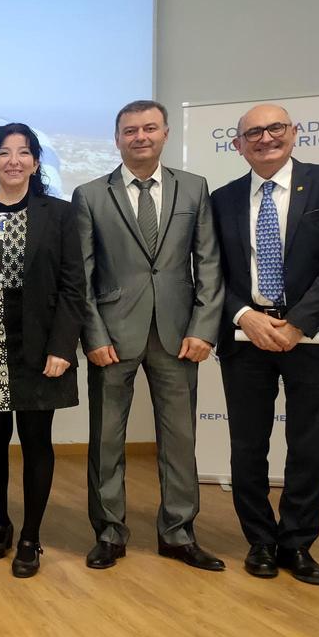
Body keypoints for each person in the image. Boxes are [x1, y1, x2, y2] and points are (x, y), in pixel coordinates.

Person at [212, 104, 319, 585]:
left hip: (316, 337)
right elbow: (211, 272)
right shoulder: (222, 199)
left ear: (294, 134)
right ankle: (259, 540)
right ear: (237, 145)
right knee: (247, 446)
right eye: (252, 132)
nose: (265, 138)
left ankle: (297, 543)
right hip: (246, 335)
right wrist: (243, 314)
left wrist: (296, 323)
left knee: (309, 445)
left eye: (275, 128)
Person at [73, 100, 225, 571]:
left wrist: (204, 328)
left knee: (180, 439)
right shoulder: (91, 194)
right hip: (112, 337)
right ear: (116, 138)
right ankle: (110, 533)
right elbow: (83, 273)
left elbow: (210, 263)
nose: (140, 137)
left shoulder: (194, 188)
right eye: (130, 130)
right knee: (106, 440)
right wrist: (92, 335)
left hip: (179, 335)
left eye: (149, 129)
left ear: (164, 134)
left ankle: (179, 534)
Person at [0, 124, 84, 577]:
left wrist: (64, 344)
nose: (14, 161)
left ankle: (31, 536)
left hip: (40, 342)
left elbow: (72, 286)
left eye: (24, 153)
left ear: (37, 163)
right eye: (4, 153)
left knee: (37, 440)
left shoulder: (59, 214)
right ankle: (1, 524)